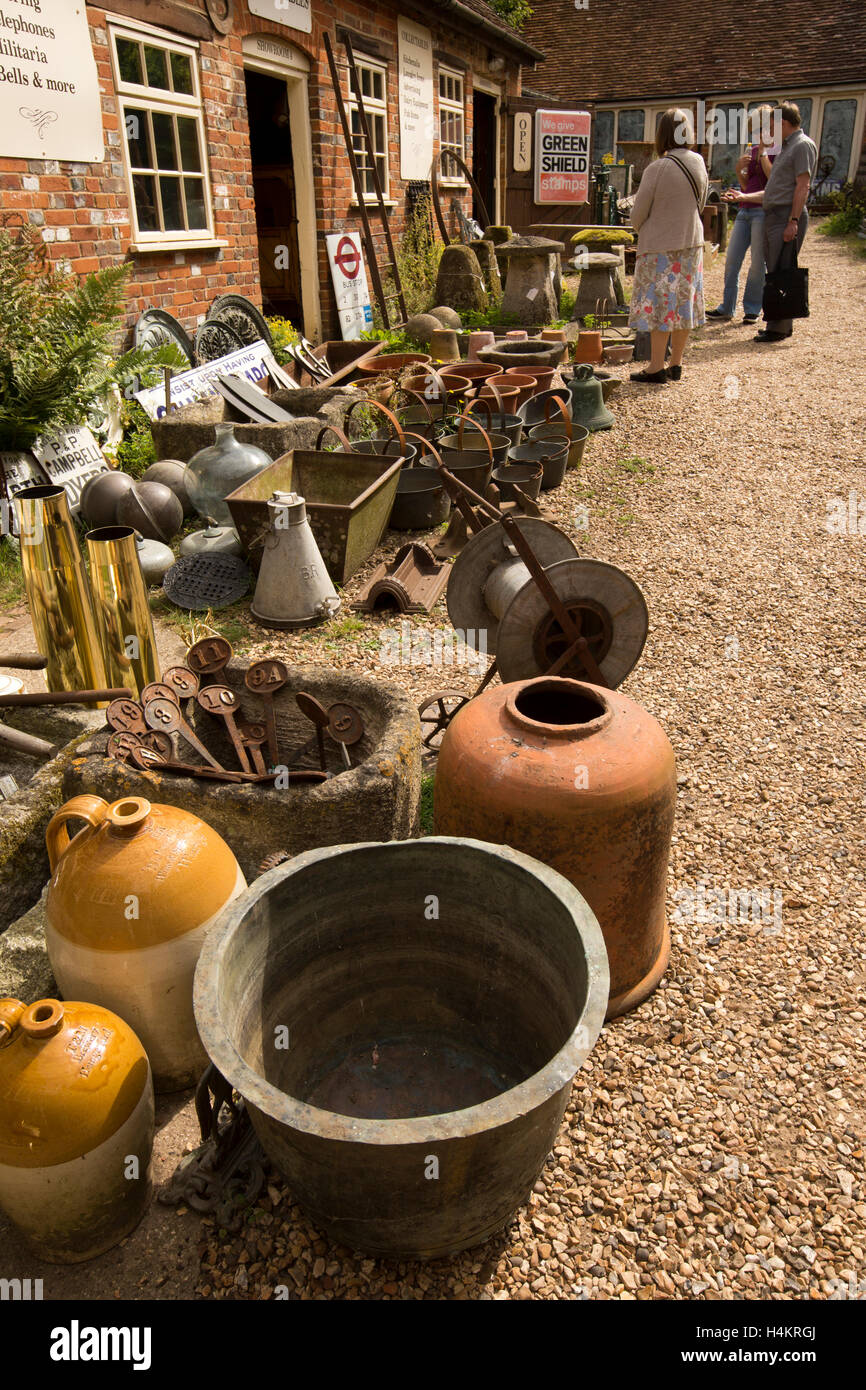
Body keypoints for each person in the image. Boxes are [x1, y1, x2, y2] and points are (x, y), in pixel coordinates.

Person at [720, 103, 817, 342]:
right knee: (775, 271)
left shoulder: (802, 145)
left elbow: (802, 186)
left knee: (781, 272)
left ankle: (779, 328)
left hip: (785, 215)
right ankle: (778, 324)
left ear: (783, 123)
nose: (769, 130)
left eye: (772, 124)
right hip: (774, 214)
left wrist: (793, 220)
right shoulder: (788, 146)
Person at [628, 108, 709, 384]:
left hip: (661, 246)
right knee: (683, 304)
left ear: (661, 134)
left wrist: (641, 229)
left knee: (660, 307)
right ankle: (676, 364)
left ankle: (655, 367)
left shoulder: (658, 168)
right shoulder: (698, 161)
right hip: (691, 242)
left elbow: (637, 214)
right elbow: (701, 204)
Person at [707, 105, 777, 324]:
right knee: (732, 261)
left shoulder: (776, 150)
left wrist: (764, 152)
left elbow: (773, 180)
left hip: (762, 212)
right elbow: (748, 185)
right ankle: (727, 307)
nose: (756, 134)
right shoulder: (753, 150)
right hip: (745, 210)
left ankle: (752, 308)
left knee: (757, 262)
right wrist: (739, 171)